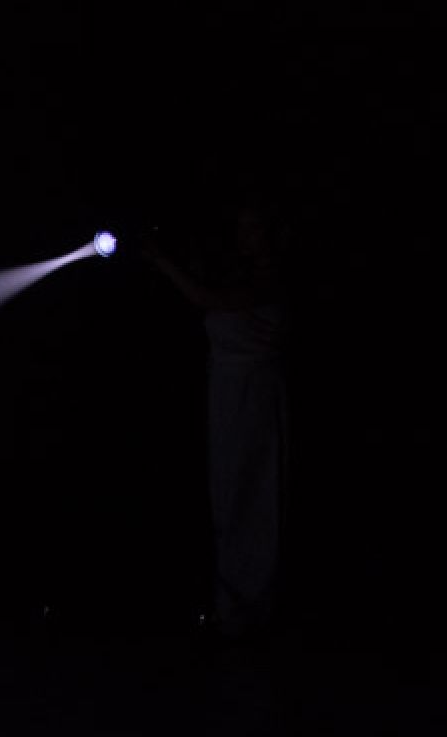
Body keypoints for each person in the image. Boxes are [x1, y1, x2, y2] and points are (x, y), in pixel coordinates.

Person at [133, 186, 295, 643]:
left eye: (254, 228)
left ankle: (256, 608)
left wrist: (164, 262)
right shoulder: (233, 269)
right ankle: (232, 607)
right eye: (242, 228)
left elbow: (211, 301)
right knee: (227, 493)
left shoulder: (273, 275)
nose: (246, 237)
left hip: (255, 395)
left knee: (256, 493)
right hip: (225, 391)